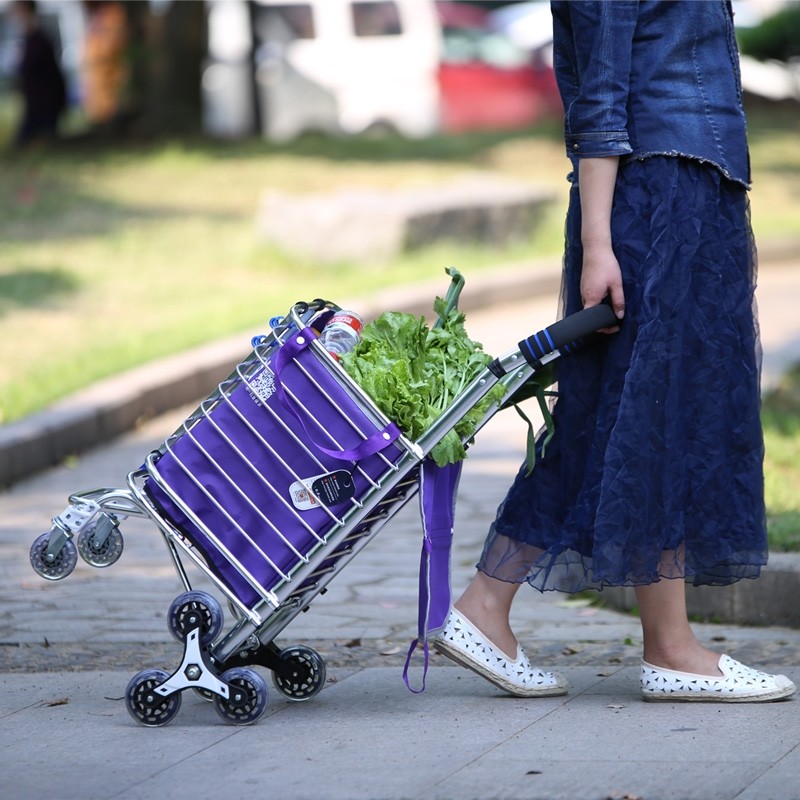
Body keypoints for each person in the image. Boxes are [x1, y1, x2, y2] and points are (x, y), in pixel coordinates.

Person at [434, 0, 797, 703]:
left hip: (687, 185)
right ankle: (671, 649)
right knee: (660, 413)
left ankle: (487, 605)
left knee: (616, 413)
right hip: (657, 196)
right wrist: (600, 244)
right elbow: (597, 94)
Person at [10, 0, 67, 147]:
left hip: (45, 103)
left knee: (39, 141)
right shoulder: (28, 40)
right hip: (35, 103)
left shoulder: (40, 40)